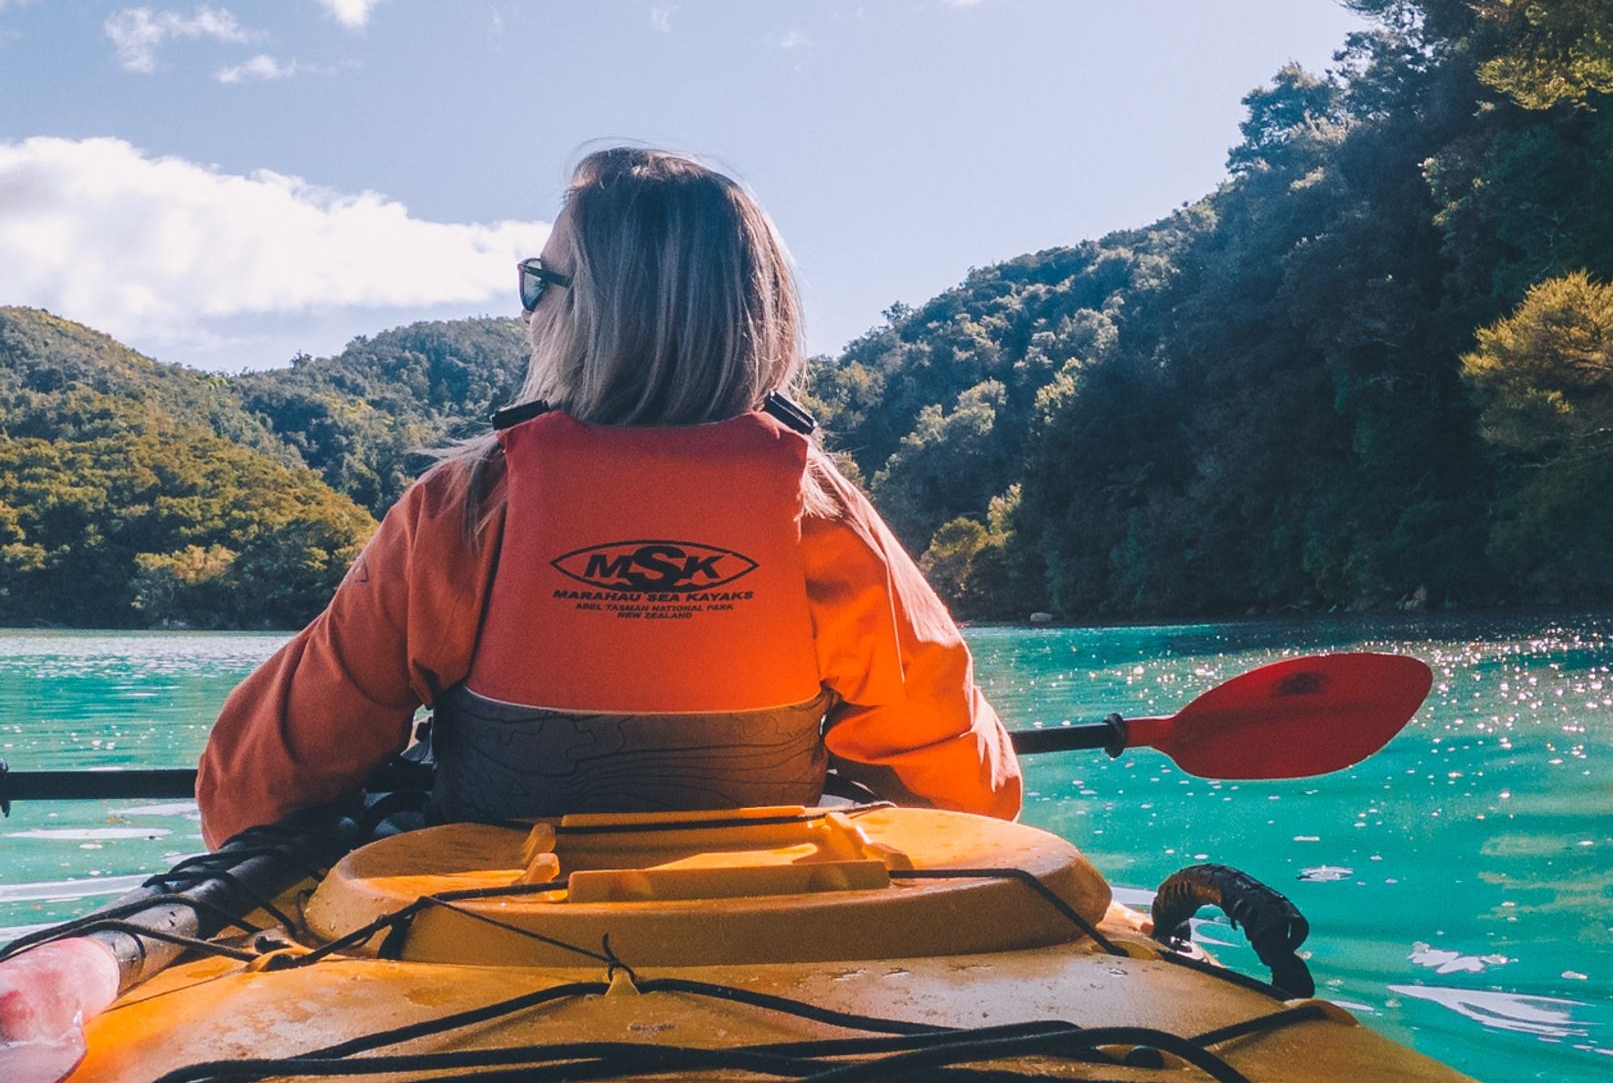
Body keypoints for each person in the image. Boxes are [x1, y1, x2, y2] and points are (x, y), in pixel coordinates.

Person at [197, 147, 1020, 844]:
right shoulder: (822, 517)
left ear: (587, 314)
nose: (524, 314)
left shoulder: (463, 514)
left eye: (536, 284)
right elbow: (972, 798)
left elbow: (252, 791)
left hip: (495, 941)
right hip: (757, 936)